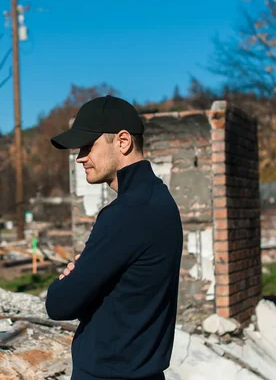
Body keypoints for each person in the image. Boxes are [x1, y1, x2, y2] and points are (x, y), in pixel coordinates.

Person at [45, 95, 183, 380]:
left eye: (88, 146)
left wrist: (66, 281)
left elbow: (59, 305)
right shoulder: (160, 200)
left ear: (122, 141)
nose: (80, 157)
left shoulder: (126, 213)